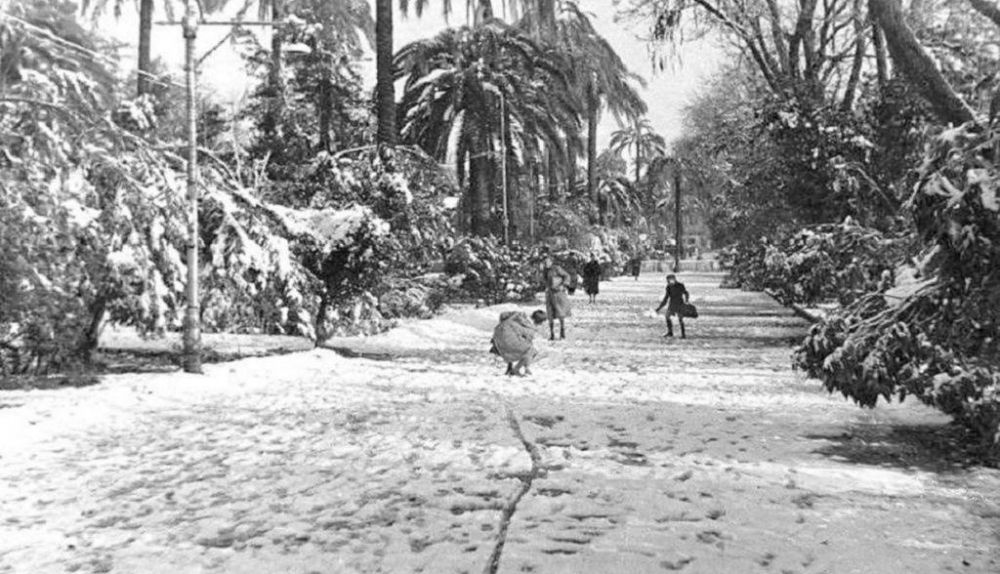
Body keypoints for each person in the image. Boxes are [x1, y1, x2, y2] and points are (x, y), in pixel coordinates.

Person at [490, 310, 547, 376]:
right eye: (542, 322)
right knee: (532, 351)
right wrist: (526, 365)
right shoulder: (529, 326)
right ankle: (516, 370)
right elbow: (528, 344)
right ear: (539, 321)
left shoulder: (519, 316)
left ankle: (511, 368)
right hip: (507, 344)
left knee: (518, 343)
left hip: (498, 341)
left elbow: (503, 315)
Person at [542, 255, 572, 340]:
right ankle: (552, 334)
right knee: (550, 314)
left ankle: (562, 332)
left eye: (548, 261)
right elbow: (544, 280)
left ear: (551, 262)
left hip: (558, 293)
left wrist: (563, 285)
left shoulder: (557, 268)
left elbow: (567, 276)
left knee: (560, 313)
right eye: (545, 262)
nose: (546, 263)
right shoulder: (544, 270)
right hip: (549, 294)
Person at [655, 273, 690, 338]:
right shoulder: (668, 287)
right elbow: (666, 298)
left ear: (674, 279)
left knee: (680, 319)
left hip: (680, 304)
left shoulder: (680, 285)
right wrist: (659, 308)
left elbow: (686, 293)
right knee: (667, 316)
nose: (670, 281)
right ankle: (670, 332)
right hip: (672, 305)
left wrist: (686, 300)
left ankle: (683, 334)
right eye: (668, 280)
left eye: (671, 280)